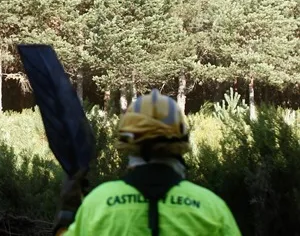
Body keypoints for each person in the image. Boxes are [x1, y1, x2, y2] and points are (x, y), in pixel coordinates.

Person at [54, 89, 241, 236]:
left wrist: (66, 216)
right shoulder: (211, 207)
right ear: (182, 141)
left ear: (126, 142)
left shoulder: (98, 203)